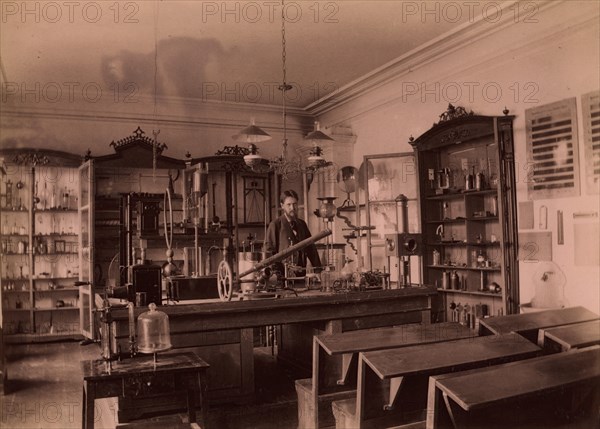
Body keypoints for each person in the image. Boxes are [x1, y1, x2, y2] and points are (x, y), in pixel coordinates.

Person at [265, 190, 322, 279]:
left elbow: (311, 248)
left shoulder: (302, 224)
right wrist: (275, 274)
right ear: (282, 205)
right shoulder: (275, 225)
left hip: (301, 275)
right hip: (282, 276)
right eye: (289, 204)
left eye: (295, 204)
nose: (292, 207)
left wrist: (318, 270)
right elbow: (269, 252)